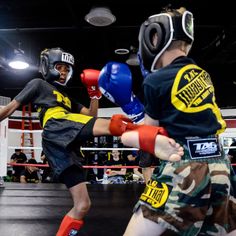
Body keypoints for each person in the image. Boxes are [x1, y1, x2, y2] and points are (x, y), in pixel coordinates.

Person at [0, 47, 183, 235]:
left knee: (82, 205)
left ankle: (146, 136)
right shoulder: (38, 84)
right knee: (115, 124)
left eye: (66, 69)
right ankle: (152, 137)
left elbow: (90, 115)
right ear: (48, 66)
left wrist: (94, 94)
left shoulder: (67, 98)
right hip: (57, 124)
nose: (63, 72)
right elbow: (10, 108)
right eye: (60, 67)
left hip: (62, 143)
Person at [120, 6, 236, 236]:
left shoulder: (155, 80)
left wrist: (130, 110)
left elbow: (148, 133)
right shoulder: (202, 74)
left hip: (185, 166)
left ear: (154, 37)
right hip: (220, 165)